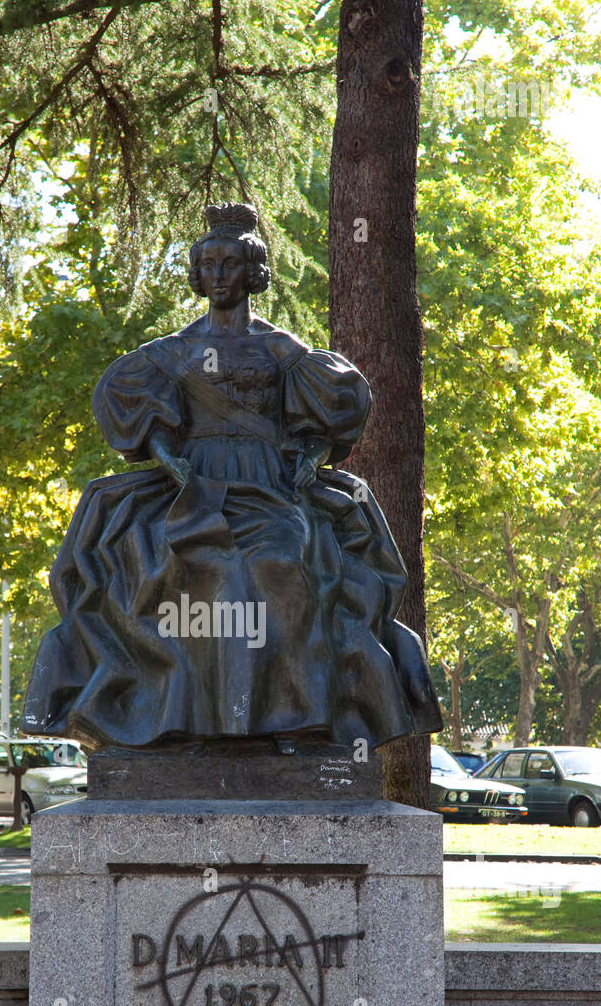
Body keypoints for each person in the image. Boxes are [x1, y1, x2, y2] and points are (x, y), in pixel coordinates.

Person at [22, 202, 442, 753]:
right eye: (210, 265)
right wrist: (168, 459)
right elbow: (147, 423)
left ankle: (297, 718)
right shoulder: (171, 353)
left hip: (270, 486)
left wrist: (312, 458)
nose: (219, 276)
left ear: (252, 273)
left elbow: (329, 417)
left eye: (231, 264)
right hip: (193, 489)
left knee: (283, 562)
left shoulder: (281, 349)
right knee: (191, 567)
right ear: (198, 274)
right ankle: (186, 724)